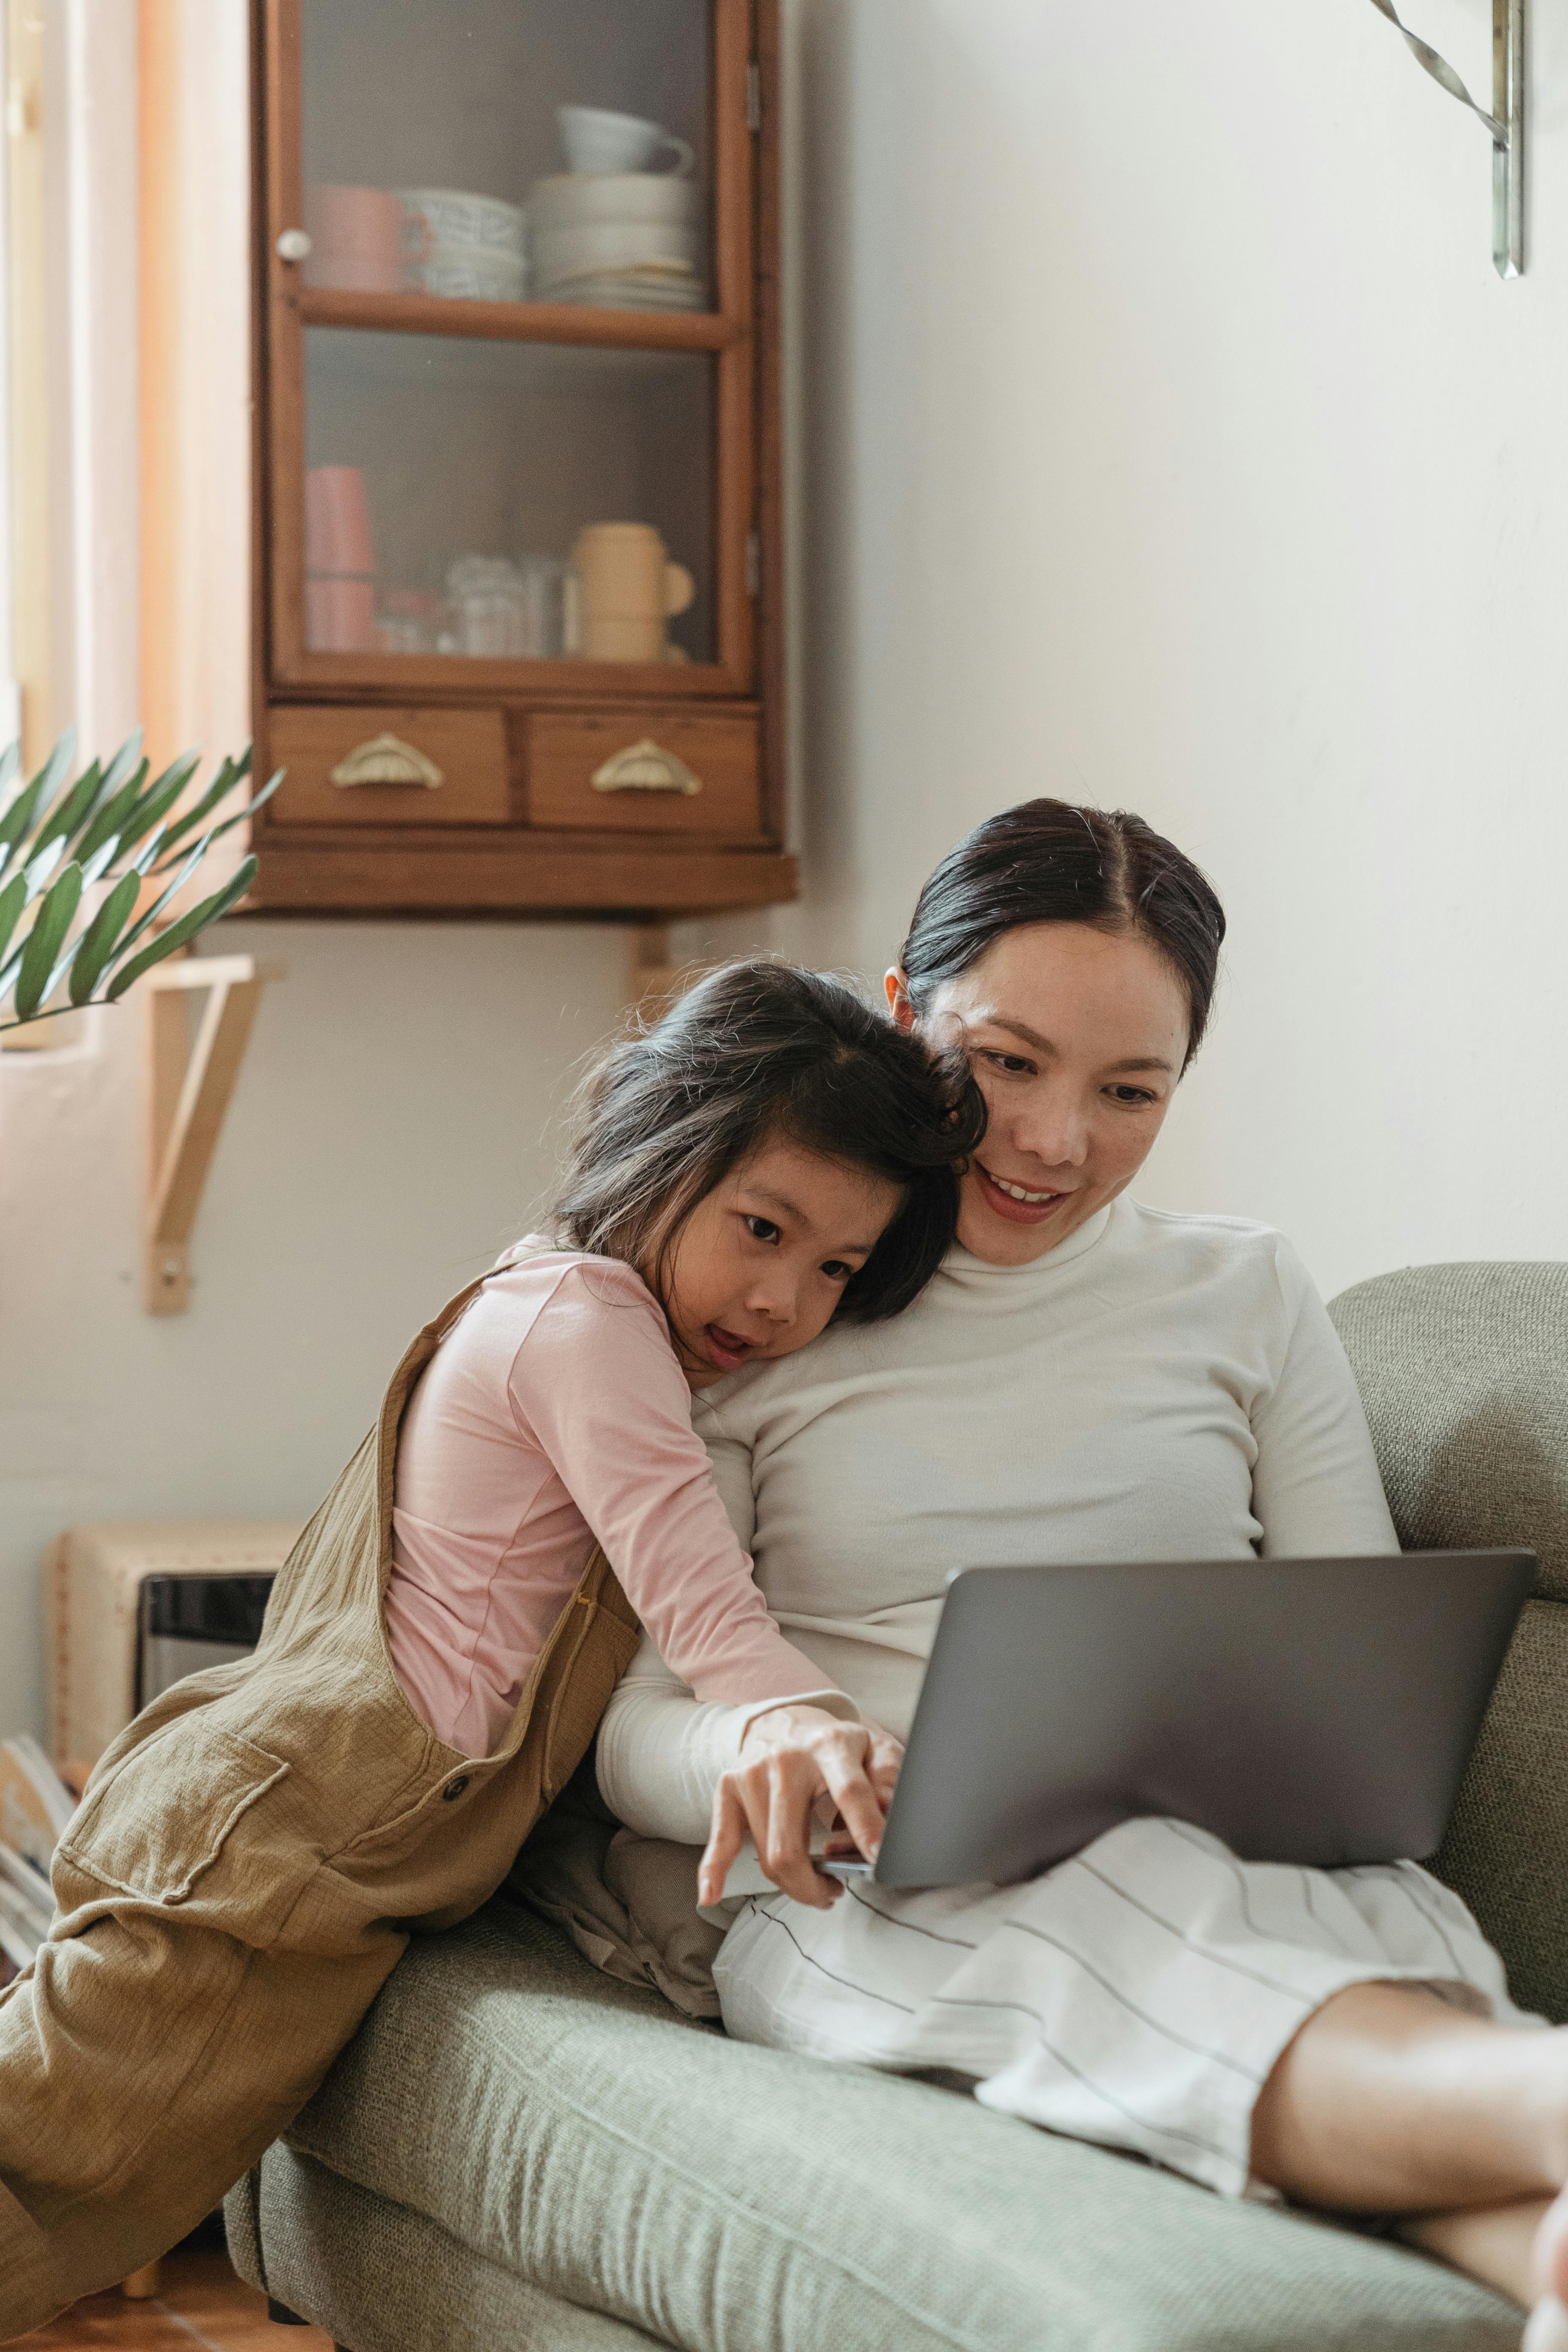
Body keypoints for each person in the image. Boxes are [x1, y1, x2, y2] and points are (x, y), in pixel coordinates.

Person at [595, 802, 1568, 2344]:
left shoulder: (1245, 1290)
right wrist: (767, 1739)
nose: (1058, 1140)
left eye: (1132, 1090)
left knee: (1289, 1907)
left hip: (1256, 1858)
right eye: (1008, 1062)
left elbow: (1361, 1649)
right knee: (1128, 1904)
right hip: (883, 1885)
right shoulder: (777, 1303)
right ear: (905, 1018)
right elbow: (638, 1715)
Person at [0, 960, 983, 2338]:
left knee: (69, 2169)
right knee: (49, 2168)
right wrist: (810, 1723)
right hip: (287, 1843)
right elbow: (699, 1595)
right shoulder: (589, 1327)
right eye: (762, 1227)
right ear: (659, 1150)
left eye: (835, 1268)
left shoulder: (546, 1299)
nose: (782, 1300)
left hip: (300, 1838)